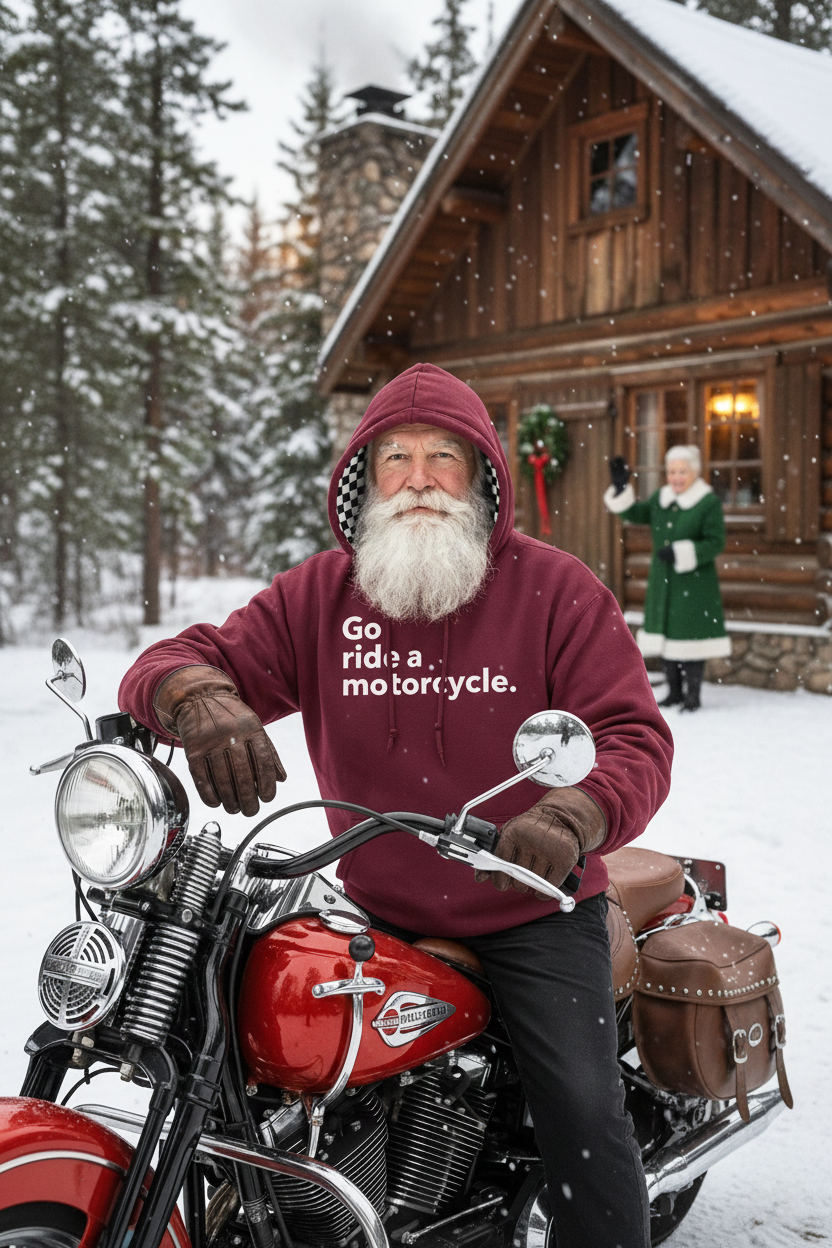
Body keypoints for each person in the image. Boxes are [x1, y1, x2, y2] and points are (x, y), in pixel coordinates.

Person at [120, 362, 673, 1248]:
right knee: (250, 1054)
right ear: (362, 481)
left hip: (531, 901)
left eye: (445, 457)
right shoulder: (320, 597)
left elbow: (634, 739)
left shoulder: (558, 591)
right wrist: (198, 699)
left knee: (578, 1106)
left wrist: (571, 817)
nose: (419, 479)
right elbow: (176, 656)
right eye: (396, 459)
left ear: (484, 473)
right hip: (373, 907)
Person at [604, 445, 731, 712]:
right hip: (664, 581)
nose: (676, 477)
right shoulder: (662, 498)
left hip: (694, 583)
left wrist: (682, 552)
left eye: (683, 471)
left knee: (691, 639)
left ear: (695, 472)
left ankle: (692, 696)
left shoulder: (707, 502)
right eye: (672, 471)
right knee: (666, 636)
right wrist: (619, 489)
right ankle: (674, 692)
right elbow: (635, 513)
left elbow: (715, 542)